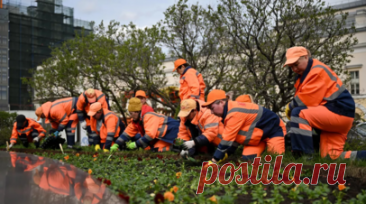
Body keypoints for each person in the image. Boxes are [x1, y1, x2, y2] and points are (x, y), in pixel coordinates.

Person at [284, 46, 365, 160]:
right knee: (331, 157)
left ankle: (304, 159)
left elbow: (305, 100)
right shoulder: (308, 73)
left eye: (296, 64)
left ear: (306, 57)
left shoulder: (316, 71)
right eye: (291, 67)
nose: (294, 69)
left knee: (299, 113)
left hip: (338, 112)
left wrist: (290, 107)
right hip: (337, 115)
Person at [202, 89, 286, 162]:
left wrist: (214, 160)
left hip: (274, 131)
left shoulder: (233, 113)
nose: (212, 112)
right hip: (257, 138)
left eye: (212, 108)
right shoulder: (228, 114)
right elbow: (234, 140)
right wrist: (225, 154)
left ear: (221, 102)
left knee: (275, 160)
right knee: (247, 161)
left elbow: (226, 140)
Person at [111, 98, 179, 152]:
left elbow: (150, 135)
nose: (130, 116)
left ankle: (176, 148)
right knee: (154, 149)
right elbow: (127, 133)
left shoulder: (148, 116)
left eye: (131, 113)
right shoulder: (137, 120)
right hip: (166, 135)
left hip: (173, 132)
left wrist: (136, 144)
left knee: (157, 149)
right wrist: (117, 144)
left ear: (137, 112)